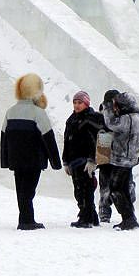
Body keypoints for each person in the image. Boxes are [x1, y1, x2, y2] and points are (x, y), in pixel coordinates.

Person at [0, 73, 61, 230]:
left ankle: (25, 219)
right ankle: (27, 221)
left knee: (21, 190)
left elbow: (4, 138)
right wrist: (55, 162)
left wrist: (5, 160)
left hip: (16, 160)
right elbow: (48, 138)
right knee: (28, 191)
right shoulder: (38, 113)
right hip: (34, 160)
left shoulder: (10, 112)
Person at [99, 92, 139, 230]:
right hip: (129, 159)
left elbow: (111, 123)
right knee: (124, 189)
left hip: (122, 160)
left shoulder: (128, 119)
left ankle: (128, 219)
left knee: (116, 189)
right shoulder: (137, 119)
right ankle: (130, 217)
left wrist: (107, 107)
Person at [62, 90, 104, 228]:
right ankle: (91, 216)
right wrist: (66, 161)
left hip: (85, 160)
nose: (77, 105)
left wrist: (93, 160)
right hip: (74, 160)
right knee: (78, 190)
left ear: (86, 103)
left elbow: (98, 140)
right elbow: (67, 141)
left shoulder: (92, 118)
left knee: (85, 190)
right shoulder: (71, 119)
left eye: (80, 102)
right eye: (75, 102)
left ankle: (86, 218)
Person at [96, 88, 120, 223]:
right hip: (110, 151)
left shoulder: (118, 112)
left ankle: (105, 211)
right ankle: (105, 210)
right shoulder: (118, 113)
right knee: (107, 185)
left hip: (106, 151)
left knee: (105, 185)